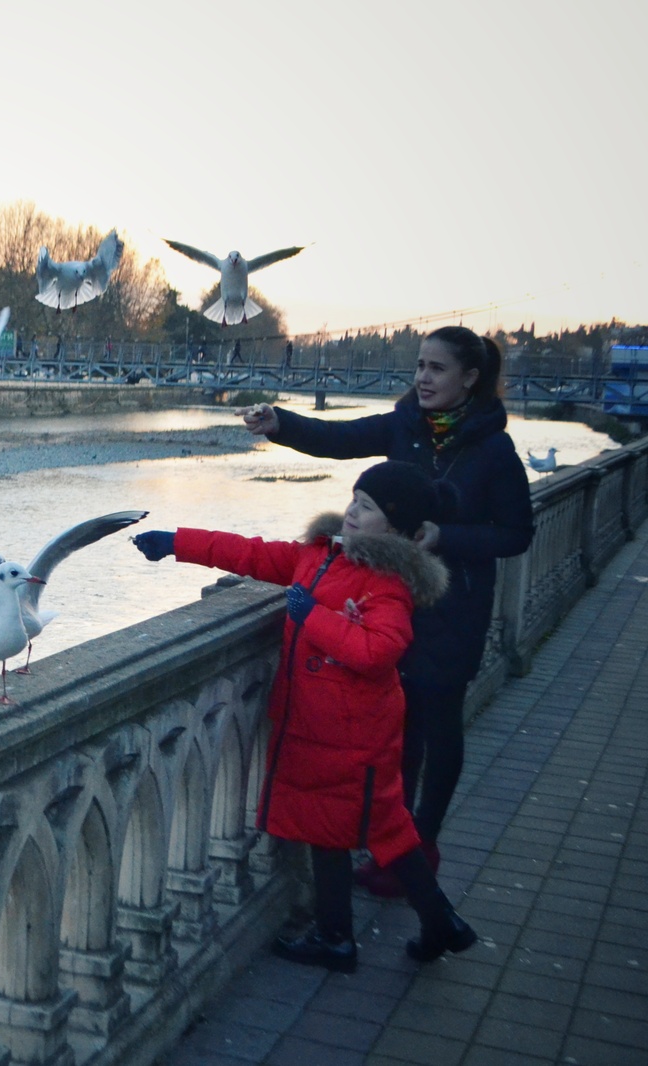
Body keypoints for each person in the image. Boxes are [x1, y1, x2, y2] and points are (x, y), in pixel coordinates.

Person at [133, 462, 477, 971]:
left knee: (340, 835)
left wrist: (309, 614)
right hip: (325, 729)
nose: (353, 511)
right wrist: (177, 541)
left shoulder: (390, 584)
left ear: (398, 529)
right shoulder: (321, 553)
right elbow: (251, 553)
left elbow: (378, 651)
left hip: (351, 736)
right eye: (355, 499)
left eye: (368, 507)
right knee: (377, 831)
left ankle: (339, 937)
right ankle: (441, 923)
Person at [235, 327, 532, 896]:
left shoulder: (493, 450)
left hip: (455, 609)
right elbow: (340, 438)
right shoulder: (405, 426)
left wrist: (446, 535)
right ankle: (393, 846)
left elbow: (516, 533)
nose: (422, 377)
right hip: (388, 602)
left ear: (470, 378)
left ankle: (424, 845)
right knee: (399, 731)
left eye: (437, 368)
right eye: (419, 365)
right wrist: (280, 424)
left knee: (437, 725)